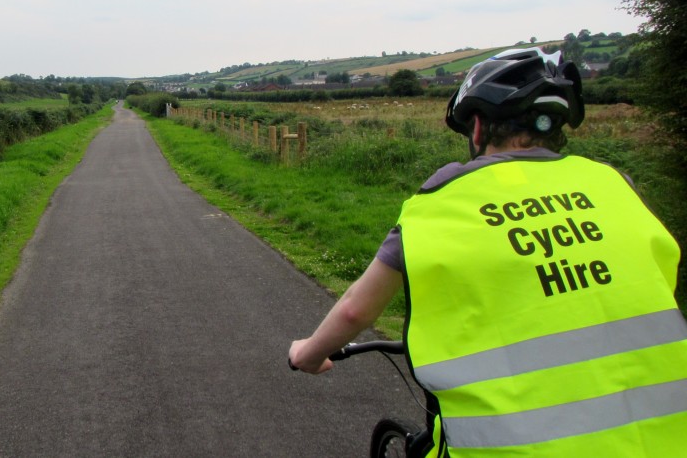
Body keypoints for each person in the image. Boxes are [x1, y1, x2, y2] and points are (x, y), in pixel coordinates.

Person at [288, 48, 686, 456]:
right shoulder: (615, 184)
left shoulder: (443, 202)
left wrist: (308, 353)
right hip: (665, 438)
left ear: (477, 128)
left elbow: (357, 309)